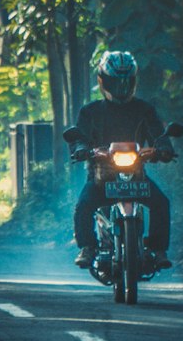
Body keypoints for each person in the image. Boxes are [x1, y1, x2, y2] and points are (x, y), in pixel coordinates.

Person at [70, 51, 173, 270]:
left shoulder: (144, 109)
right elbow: (79, 136)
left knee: (161, 202)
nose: (121, 87)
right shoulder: (90, 112)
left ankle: (158, 249)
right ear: (102, 81)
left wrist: (163, 148)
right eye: (115, 82)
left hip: (136, 175)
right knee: (83, 205)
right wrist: (81, 148)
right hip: (101, 176)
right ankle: (87, 247)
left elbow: (158, 134)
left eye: (126, 82)